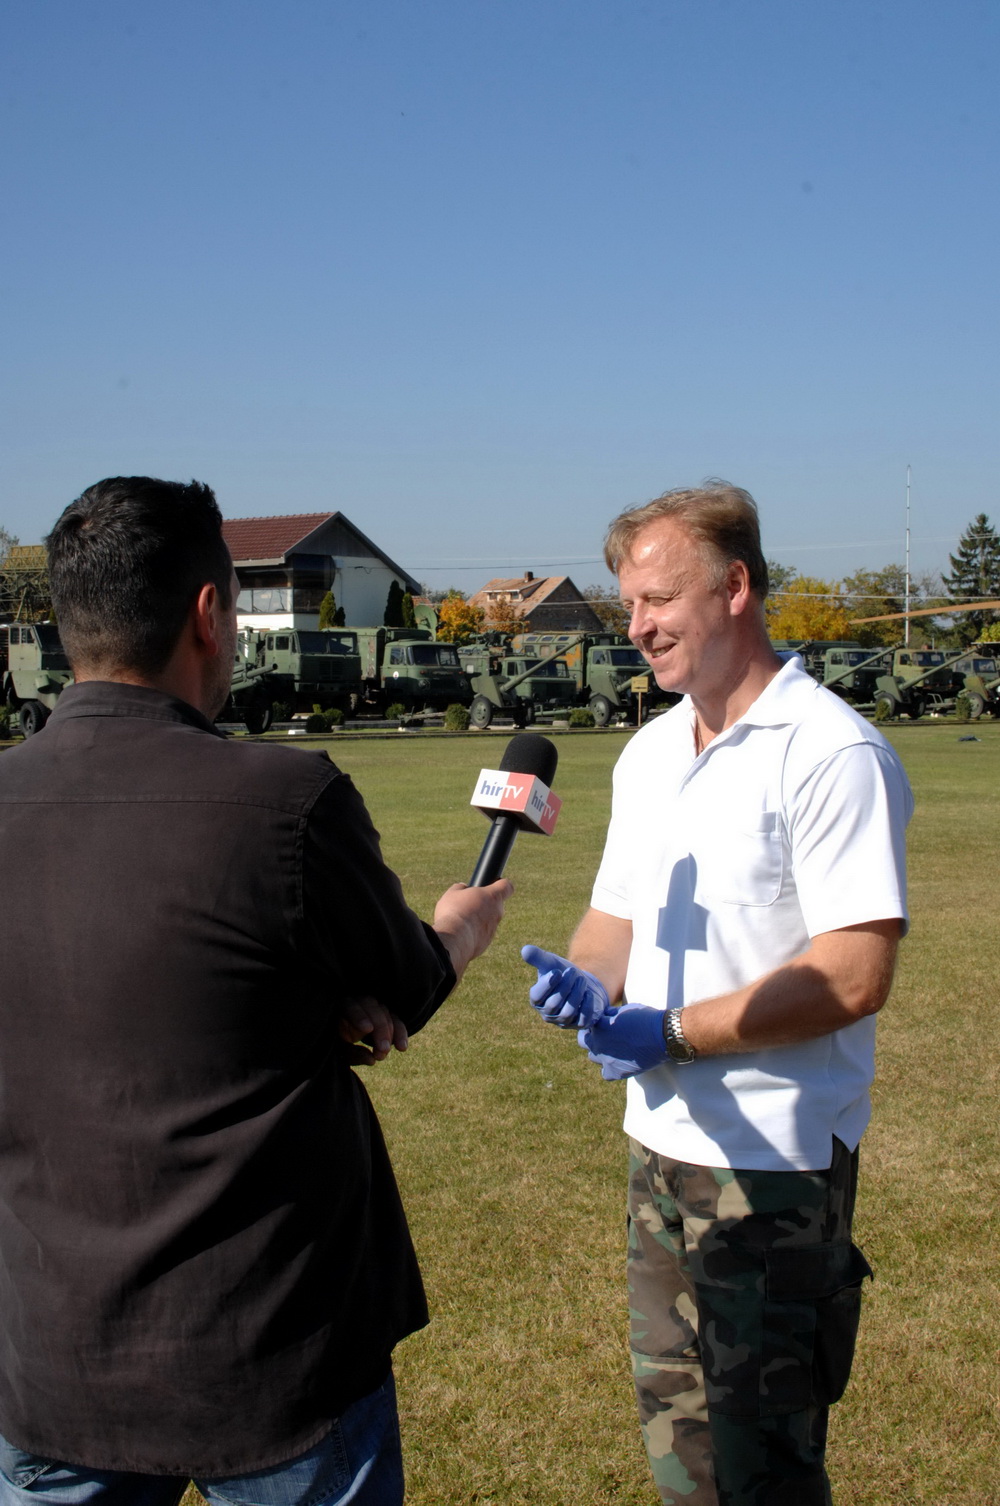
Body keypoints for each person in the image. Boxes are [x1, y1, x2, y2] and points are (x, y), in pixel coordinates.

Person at [0, 476, 511, 1506]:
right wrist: (464, 922)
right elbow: (407, 983)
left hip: (49, 1361)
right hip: (277, 1351)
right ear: (205, 613)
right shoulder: (286, 801)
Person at [522, 483, 911, 1506]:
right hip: (658, 1155)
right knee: (682, 1457)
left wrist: (676, 1032)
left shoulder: (830, 753)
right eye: (629, 607)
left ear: (736, 586)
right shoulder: (651, 752)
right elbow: (616, 920)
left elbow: (852, 973)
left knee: (766, 1471)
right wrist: (587, 982)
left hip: (768, 1173)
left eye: (658, 600)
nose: (638, 627)